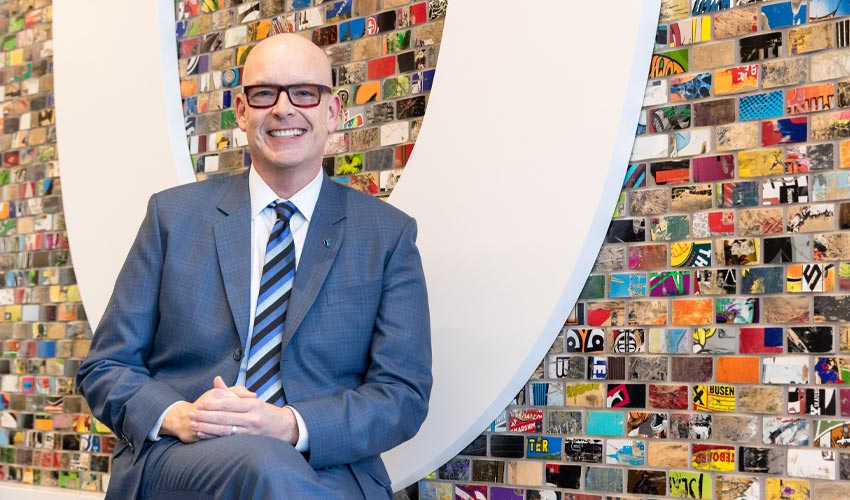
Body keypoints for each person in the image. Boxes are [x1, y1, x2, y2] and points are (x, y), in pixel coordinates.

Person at [76, 34, 432, 500]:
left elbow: (402, 394)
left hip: (326, 467)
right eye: (265, 93)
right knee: (263, 465)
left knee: (274, 467)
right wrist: (181, 414)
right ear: (242, 112)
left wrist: (287, 426)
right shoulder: (172, 216)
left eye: (304, 92)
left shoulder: (387, 236)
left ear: (333, 110)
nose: (284, 109)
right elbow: (106, 366)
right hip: (183, 456)